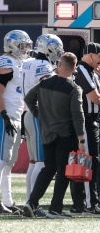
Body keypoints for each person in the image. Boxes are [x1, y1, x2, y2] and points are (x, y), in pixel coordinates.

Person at [23, 52, 85, 218]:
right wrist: (81, 138)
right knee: (64, 172)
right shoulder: (74, 88)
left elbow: (28, 99)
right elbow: (78, 115)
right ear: (74, 69)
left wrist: (40, 115)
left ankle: (32, 202)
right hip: (65, 134)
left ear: (59, 65)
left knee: (48, 168)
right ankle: (55, 208)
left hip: (47, 132)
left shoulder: (44, 84)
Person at [22, 34, 64, 204]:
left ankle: (28, 201)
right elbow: (46, 89)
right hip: (39, 114)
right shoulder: (44, 66)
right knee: (41, 161)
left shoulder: (28, 63)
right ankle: (32, 203)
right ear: (49, 48)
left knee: (33, 162)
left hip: (27, 113)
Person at [70, 42, 100, 216]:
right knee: (88, 161)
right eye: (99, 56)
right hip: (86, 121)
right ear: (90, 55)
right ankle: (88, 204)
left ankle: (86, 203)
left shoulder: (92, 72)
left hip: (93, 120)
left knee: (93, 160)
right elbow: (95, 98)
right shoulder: (82, 70)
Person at [0, 30, 32, 214]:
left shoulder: (19, 62)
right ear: (12, 45)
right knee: (2, 160)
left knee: (9, 162)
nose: (25, 49)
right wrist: (4, 113)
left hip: (16, 114)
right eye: (22, 46)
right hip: (7, 114)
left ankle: (8, 201)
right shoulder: (6, 62)